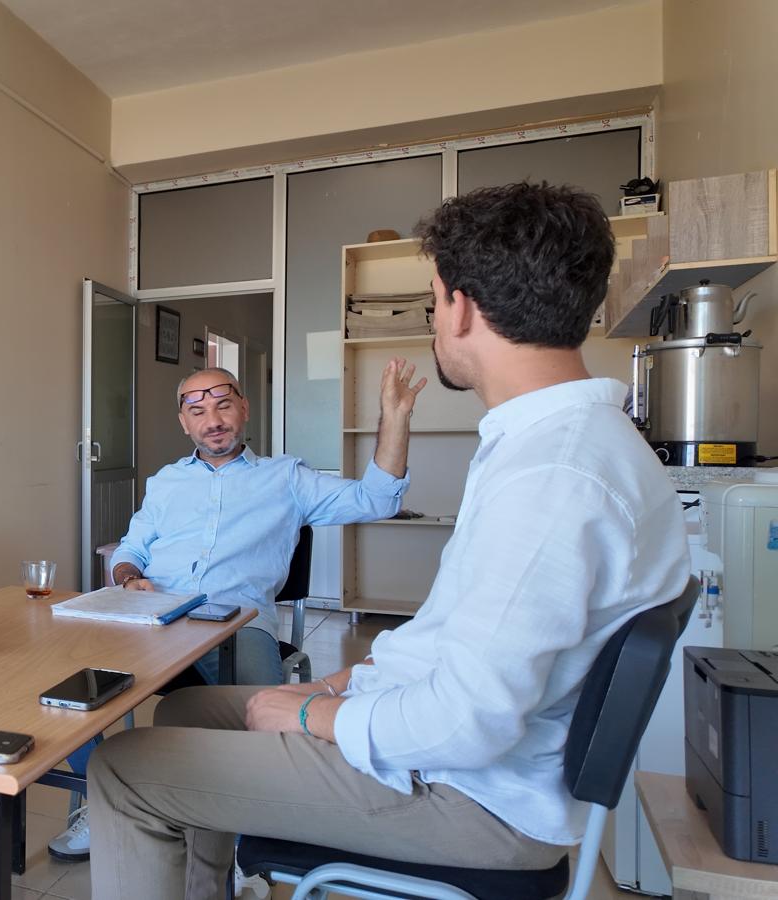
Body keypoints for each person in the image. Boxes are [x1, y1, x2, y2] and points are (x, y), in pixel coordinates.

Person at [86, 182, 691, 899]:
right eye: (196, 407)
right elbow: (453, 649)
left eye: (432, 301)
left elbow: (467, 720)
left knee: (123, 766)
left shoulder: (552, 475)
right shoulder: (559, 445)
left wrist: (311, 712)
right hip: (455, 754)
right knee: (188, 709)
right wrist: (339, 683)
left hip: (469, 796)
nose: (435, 320)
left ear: (460, 307)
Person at [50, 360, 423, 861]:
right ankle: (103, 801)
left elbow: (377, 499)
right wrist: (127, 576)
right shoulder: (165, 482)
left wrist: (395, 417)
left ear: (244, 409)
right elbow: (130, 548)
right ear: (184, 423)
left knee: (260, 713)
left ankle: (251, 840)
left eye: (224, 405)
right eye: (198, 411)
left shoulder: (286, 477)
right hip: (152, 614)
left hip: (236, 622)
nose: (213, 420)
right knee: (63, 688)